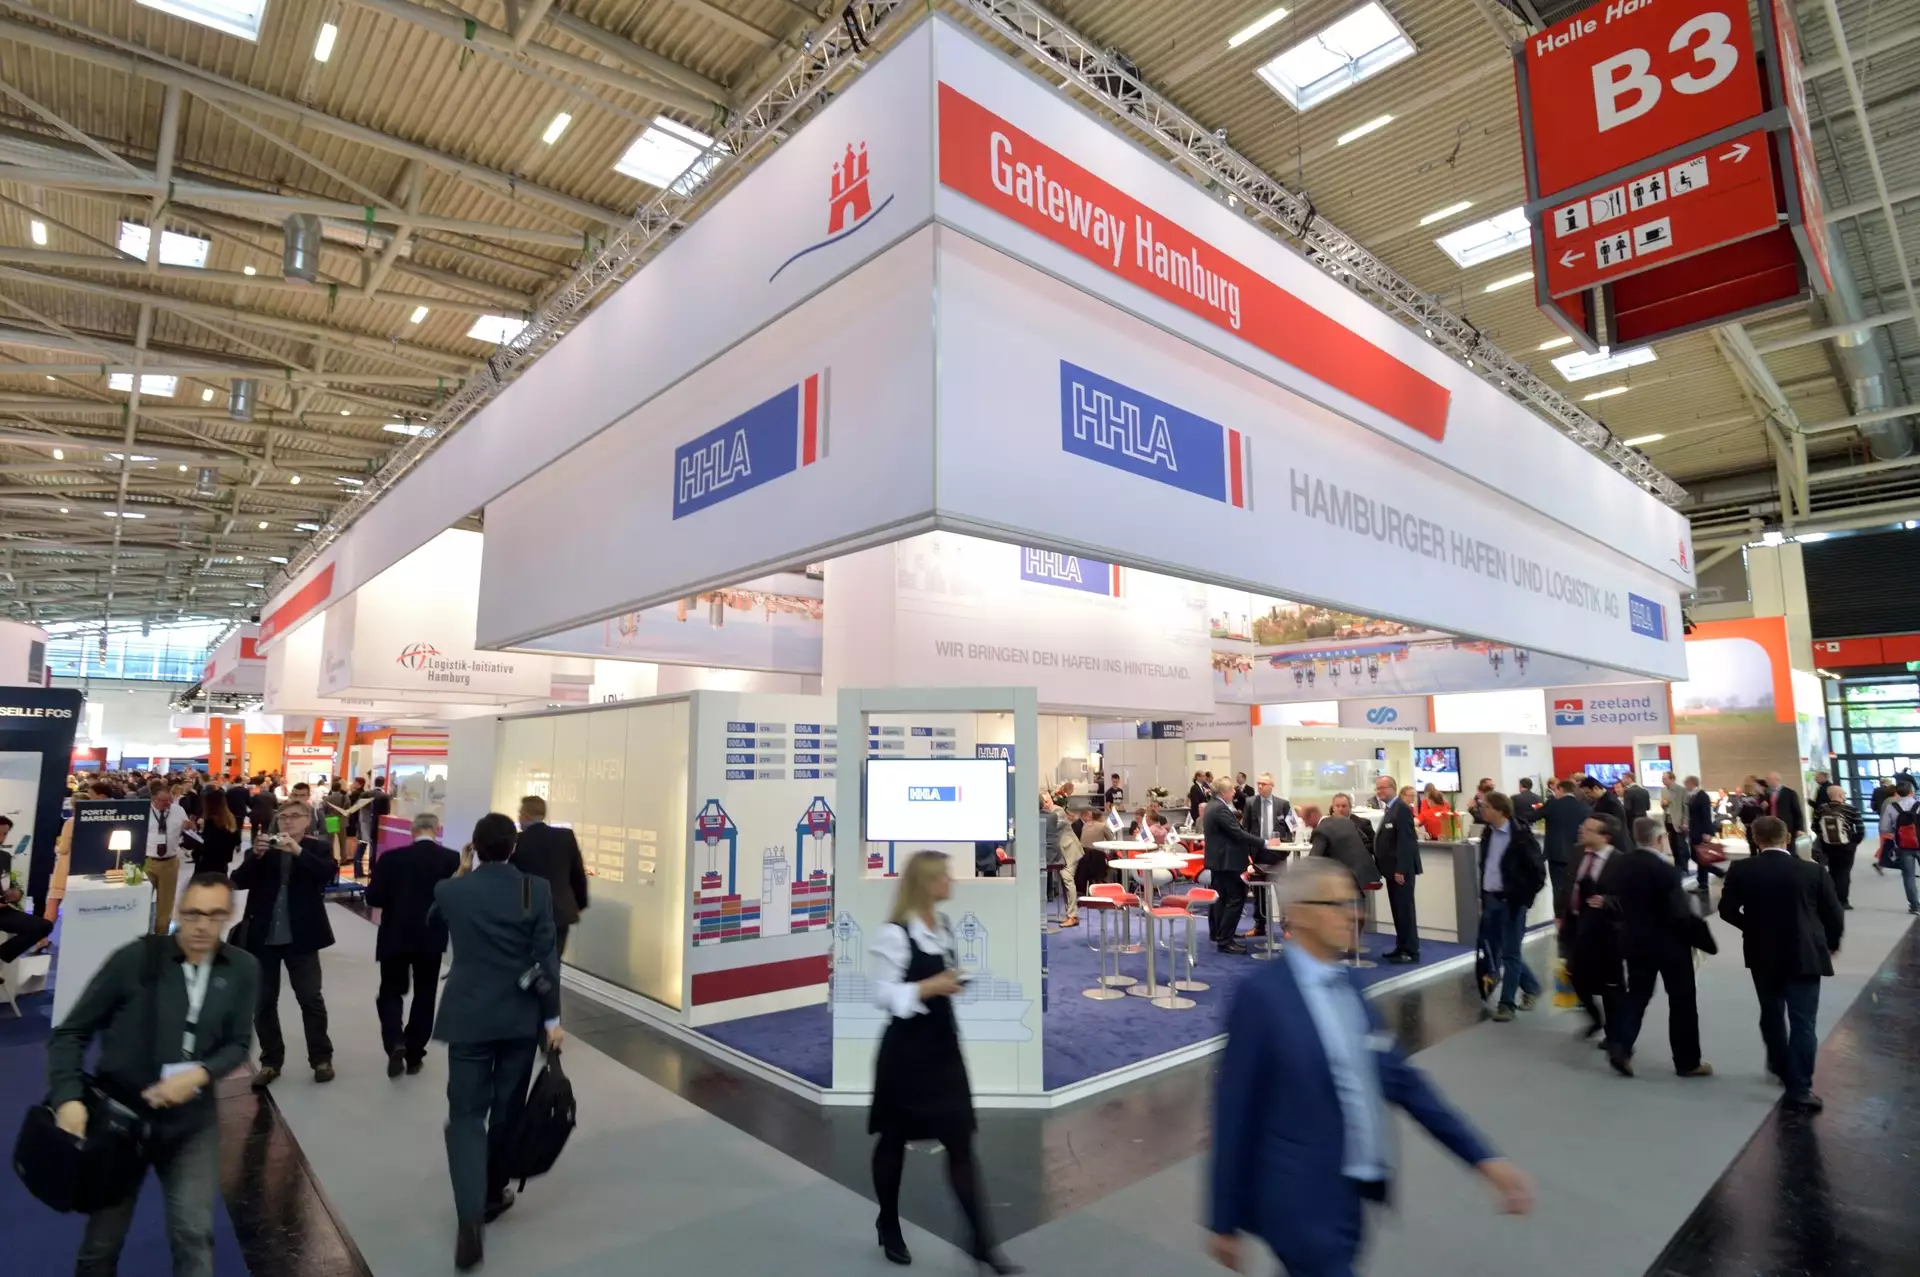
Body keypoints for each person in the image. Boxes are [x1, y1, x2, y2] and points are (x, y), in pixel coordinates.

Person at [1205, 858, 1532, 1277]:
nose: (1354, 914)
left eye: (1353, 902)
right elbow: (1233, 1109)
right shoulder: (1261, 997)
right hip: (1299, 1205)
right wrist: (1223, 1217)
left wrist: (1483, 1159)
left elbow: (1402, 1081)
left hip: (1352, 1195)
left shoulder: (1350, 985)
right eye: (1337, 904)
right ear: (1299, 914)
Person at [48, 873, 259, 1277]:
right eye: (193, 914)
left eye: (214, 915)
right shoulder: (135, 960)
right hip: (120, 1124)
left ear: (229, 916)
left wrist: (200, 1074)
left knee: (194, 1236)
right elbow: (70, 1032)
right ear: (178, 910)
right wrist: (68, 1097)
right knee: (101, 1245)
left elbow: (237, 1043)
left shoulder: (242, 968)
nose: (201, 926)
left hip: (191, 1125)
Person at [868, 852, 1018, 1274]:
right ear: (927, 883)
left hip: (942, 1049)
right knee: (893, 1140)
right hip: (905, 1055)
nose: (952, 881)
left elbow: (939, 977)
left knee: (960, 1143)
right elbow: (883, 995)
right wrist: (928, 988)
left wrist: (948, 983)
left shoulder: (944, 926)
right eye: (944, 876)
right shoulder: (894, 934)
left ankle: (981, 1243)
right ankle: (888, 1222)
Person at [432, 813, 565, 1272]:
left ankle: (469, 1219)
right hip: (519, 1017)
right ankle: (492, 1192)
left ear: (474, 846)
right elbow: (547, 958)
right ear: (513, 847)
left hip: (468, 1015)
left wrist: (459, 872)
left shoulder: (452, 890)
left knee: (466, 1115)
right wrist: (552, 1019)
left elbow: (433, 918)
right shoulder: (534, 890)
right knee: (507, 1109)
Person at [1718, 815, 1843, 1113]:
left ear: (1756, 839)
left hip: (1762, 953)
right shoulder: (1812, 870)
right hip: (1805, 953)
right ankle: (1799, 1088)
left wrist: (1752, 927)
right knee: (1803, 1022)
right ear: (1787, 838)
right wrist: (1831, 942)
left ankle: (1779, 1065)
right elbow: (1834, 913)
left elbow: (1726, 910)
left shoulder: (1742, 869)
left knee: (1771, 1012)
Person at [231, 802, 338, 1088]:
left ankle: (321, 1059)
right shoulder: (264, 849)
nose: (287, 822)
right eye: (282, 817)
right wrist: (255, 856)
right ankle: (271, 1061)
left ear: (307, 821)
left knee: (311, 999)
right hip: (263, 937)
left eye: (294, 816)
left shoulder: (317, 848)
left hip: (301, 937)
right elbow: (237, 881)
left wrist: (298, 851)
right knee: (263, 1003)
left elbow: (326, 874)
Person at [1605, 817, 1711, 1080]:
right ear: (1659, 839)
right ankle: (1687, 1061)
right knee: (1682, 1000)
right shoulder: (1666, 871)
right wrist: (1698, 937)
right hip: (1670, 945)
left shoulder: (1620, 865)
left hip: (1634, 941)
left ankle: (1620, 1045)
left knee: (1637, 995)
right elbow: (1679, 913)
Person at [367, 811, 461, 1077]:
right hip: (431, 938)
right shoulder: (451, 859)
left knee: (390, 991)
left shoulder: (390, 858)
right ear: (436, 829)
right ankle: (415, 1051)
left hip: (394, 935)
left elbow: (373, 898)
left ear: (412, 831)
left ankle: (395, 1041)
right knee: (425, 994)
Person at [1476, 792, 1547, 1022]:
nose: (1482, 810)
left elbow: (1537, 872)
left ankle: (1507, 1004)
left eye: (1486, 806)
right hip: (1491, 899)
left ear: (1501, 810)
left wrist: (1523, 898)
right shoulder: (1488, 833)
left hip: (1512, 902)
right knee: (1497, 949)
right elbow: (1486, 867)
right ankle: (1532, 986)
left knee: (1511, 952)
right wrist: (1483, 896)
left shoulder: (1521, 836)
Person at [1564, 815, 1625, 1044]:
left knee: (1610, 984)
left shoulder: (1620, 862)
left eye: (1588, 829)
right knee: (1575, 976)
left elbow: (1631, 898)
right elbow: (1568, 886)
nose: (1581, 830)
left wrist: (1608, 901)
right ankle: (1594, 1018)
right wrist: (1562, 913)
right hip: (1577, 927)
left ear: (1605, 837)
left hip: (1607, 931)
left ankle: (1613, 1033)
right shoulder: (1578, 853)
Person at [511, 795, 589, 957]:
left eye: (519, 814)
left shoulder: (518, 841)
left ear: (525, 816)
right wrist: (580, 903)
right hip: (559, 912)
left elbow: (512, 877)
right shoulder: (565, 837)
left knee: (526, 962)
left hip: (527, 913)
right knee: (553, 961)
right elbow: (578, 875)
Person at [1203, 776, 1268, 954]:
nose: (1234, 793)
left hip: (1220, 862)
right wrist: (1264, 843)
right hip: (1228, 862)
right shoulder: (1220, 809)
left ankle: (1220, 934)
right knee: (1235, 899)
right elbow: (1238, 833)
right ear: (1223, 792)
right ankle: (1225, 940)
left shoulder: (1212, 806)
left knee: (1221, 899)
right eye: (1231, 790)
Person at [1372, 776, 1421, 964]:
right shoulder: (1391, 809)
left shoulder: (1401, 808)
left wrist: (1401, 869)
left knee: (1405, 910)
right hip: (1391, 870)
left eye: (1383, 788)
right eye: (1377, 789)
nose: (1379, 792)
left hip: (1401, 871)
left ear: (1393, 788)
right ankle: (1401, 947)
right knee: (1398, 910)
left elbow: (1406, 842)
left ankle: (1410, 950)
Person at [1240, 773, 1291, 939]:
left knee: (1283, 892)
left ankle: (1287, 928)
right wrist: (1248, 853)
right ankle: (1260, 926)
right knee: (1259, 894)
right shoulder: (1250, 802)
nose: (1260, 786)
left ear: (1271, 786)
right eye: (1259, 783)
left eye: (1264, 784)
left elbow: (1291, 829)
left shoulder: (1283, 804)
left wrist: (1284, 847)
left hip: (1278, 855)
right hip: (1258, 854)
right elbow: (1245, 829)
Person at [0, 817, 53, 963]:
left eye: (4, 834)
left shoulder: (4, 857)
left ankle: (2, 954)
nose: (1, 839)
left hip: (3, 911)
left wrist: (16, 894)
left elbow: (9, 885)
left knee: (44, 926)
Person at [143, 777, 190, 935]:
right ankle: (141, 934)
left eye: (169, 800)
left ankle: (161, 936)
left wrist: (190, 826)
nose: (168, 804)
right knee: (142, 899)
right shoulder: (143, 811)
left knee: (166, 904)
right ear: (153, 799)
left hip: (170, 862)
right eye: (163, 801)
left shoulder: (178, 810)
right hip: (147, 862)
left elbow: (189, 828)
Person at [1310, 793, 1380, 898]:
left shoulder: (1361, 823)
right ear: (1333, 808)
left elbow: (1372, 844)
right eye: (1337, 806)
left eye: (1343, 806)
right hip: (1344, 870)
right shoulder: (1328, 823)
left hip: (1351, 872)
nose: (1340, 809)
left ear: (1350, 808)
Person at [1540, 778, 1589, 918]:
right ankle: (1576, 915)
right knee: (1576, 886)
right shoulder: (1583, 807)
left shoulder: (1552, 804)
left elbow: (1533, 816)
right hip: (1577, 852)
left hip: (1555, 853)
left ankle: (1560, 917)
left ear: (1560, 789)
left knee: (1558, 888)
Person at [1812, 785, 1863, 910]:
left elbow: (1814, 826)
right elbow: (1860, 829)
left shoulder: (1821, 809)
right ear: (1840, 795)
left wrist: (1824, 837)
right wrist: (1853, 843)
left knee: (1832, 871)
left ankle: (1831, 899)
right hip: (1846, 847)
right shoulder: (1851, 809)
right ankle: (1843, 901)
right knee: (1844, 873)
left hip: (1828, 846)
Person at [1879, 778, 1920, 914]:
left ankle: (1914, 905)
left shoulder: (1892, 807)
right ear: (1912, 792)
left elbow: (1884, 828)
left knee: (1908, 876)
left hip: (1903, 846)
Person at [1684, 775, 1726, 894]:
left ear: (1692, 783)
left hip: (1700, 832)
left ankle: (1704, 882)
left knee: (1700, 856)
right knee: (1697, 856)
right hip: (1694, 831)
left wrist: (1707, 832)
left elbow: (1706, 815)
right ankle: (1711, 877)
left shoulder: (1702, 796)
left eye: (1686, 783)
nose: (1685, 785)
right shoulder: (1693, 796)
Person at [192, 786, 242, 879]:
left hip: (207, 865)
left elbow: (206, 847)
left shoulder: (210, 823)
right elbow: (237, 840)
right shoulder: (230, 819)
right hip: (223, 864)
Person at [1578, 775, 1629, 851]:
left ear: (1596, 788)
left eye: (1588, 792)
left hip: (1616, 846)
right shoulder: (1601, 800)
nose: (1587, 796)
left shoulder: (1610, 802)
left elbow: (1616, 826)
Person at [356, 776, 391, 879]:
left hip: (364, 825)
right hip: (378, 825)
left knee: (361, 848)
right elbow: (386, 813)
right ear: (383, 783)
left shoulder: (365, 794)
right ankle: (373, 870)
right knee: (375, 848)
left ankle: (358, 871)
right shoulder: (385, 796)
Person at [1766, 771, 1807, 841]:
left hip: (1787, 826)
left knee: (1788, 845)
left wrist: (1800, 828)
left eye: (1769, 779)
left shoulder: (1790, 793)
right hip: (1772, 827)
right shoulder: (1767, 793)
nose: (1767, 781)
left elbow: (1797, 812)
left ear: (1776, 780)